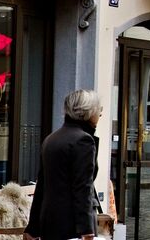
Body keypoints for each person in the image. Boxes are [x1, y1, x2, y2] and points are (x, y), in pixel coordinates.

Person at [26, 89, 103, 240]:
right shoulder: (83, 141)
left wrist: (32, 227)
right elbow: (83, 187)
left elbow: (41, 186)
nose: (100, 114)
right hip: (72, 226)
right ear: (88, 111)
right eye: (98, 110)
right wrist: (86, 229)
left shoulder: (51, 139)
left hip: (50, 222)